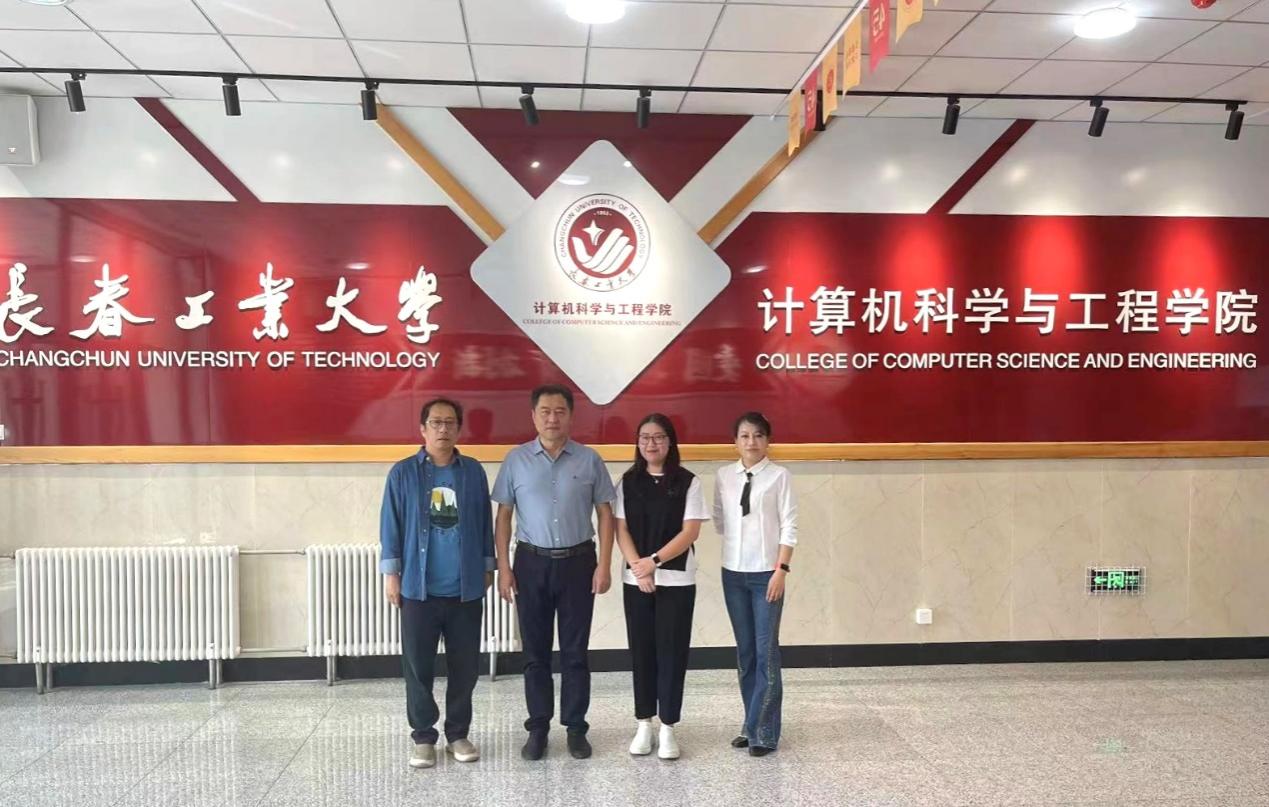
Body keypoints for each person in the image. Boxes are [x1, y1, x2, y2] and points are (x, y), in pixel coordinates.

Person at [493, 384, 616, 761]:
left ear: (571, 416)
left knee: (575, 652)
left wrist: (604, 564)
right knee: (535, 653)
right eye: (545, 411)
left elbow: (606, 514)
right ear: (533, 416)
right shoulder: (515, 460)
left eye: (560, 411)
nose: (552, 418)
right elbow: (503, 518)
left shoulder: (590, 460)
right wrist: (504, 568)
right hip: (531, 564)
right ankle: (538, 728)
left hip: (579, 563)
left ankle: (576, 728)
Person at [380, 398, 496, 769]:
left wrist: (488, 566)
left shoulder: (472, 472)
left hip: (464, 589)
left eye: (449, 422)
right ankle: (423, 737)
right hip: (418, 588)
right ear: (423, 429)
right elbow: (390, 525)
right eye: (435, 422)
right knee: (418, 667)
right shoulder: (403, 473)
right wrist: (392, 574)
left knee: (465, 667)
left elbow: (484, 522)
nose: (443, 429)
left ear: (459, 429)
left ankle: (458, 734)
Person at [615, 414, 708, 760]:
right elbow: (621, 529)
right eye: (644, 437)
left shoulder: (688, 481)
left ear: (670, 442)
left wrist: (653, 562)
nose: (651, 444)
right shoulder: (627, 481)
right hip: (636, 580)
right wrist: (639, 569)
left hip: (676, 579)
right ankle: (644, 723)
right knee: (641, 652)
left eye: (658, 437)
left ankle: (668, 726)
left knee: (672, 652)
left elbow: (690, 532)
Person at [712, 412, 797, 757]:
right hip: (733, 574)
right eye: (745, 435)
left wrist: (781, 569)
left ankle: (765, 732)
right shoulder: (723, 476)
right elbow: (719, 519)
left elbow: (789, 525)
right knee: (746, 653)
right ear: (735, 441)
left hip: (767, 575)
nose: (751, 442)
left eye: (758, 435)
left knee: (766, 652)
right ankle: (750, 724)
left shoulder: (779, 476)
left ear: (767, 440)